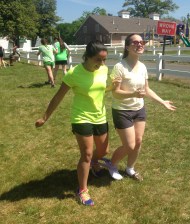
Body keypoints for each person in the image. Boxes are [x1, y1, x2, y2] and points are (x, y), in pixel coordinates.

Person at [35, 41, 112, 206]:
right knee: (87, 154)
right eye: (98, 59)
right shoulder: (74, 73)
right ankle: (82, 190)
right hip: (81, 117)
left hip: (100, 116)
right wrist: (45, 117)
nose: (102, 63)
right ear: (88, 57)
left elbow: (101, 89)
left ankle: (94, 164)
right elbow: (58, 96)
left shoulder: (104, 70)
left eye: (104, 59)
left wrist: (114, 87)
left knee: (104, 150)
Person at [108, 33, 176, 181]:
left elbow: (147, 89)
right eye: (135, 42)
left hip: (139, 109)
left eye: (142, 42)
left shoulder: (143, 67)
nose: (140, 44)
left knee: (138, 141)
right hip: (122, 110)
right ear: (127, 46)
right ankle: (112, 164)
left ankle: (130, 168)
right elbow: (116, 93)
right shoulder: (119, 67)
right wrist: (133, 93)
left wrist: (162, 101)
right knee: (129, 145)